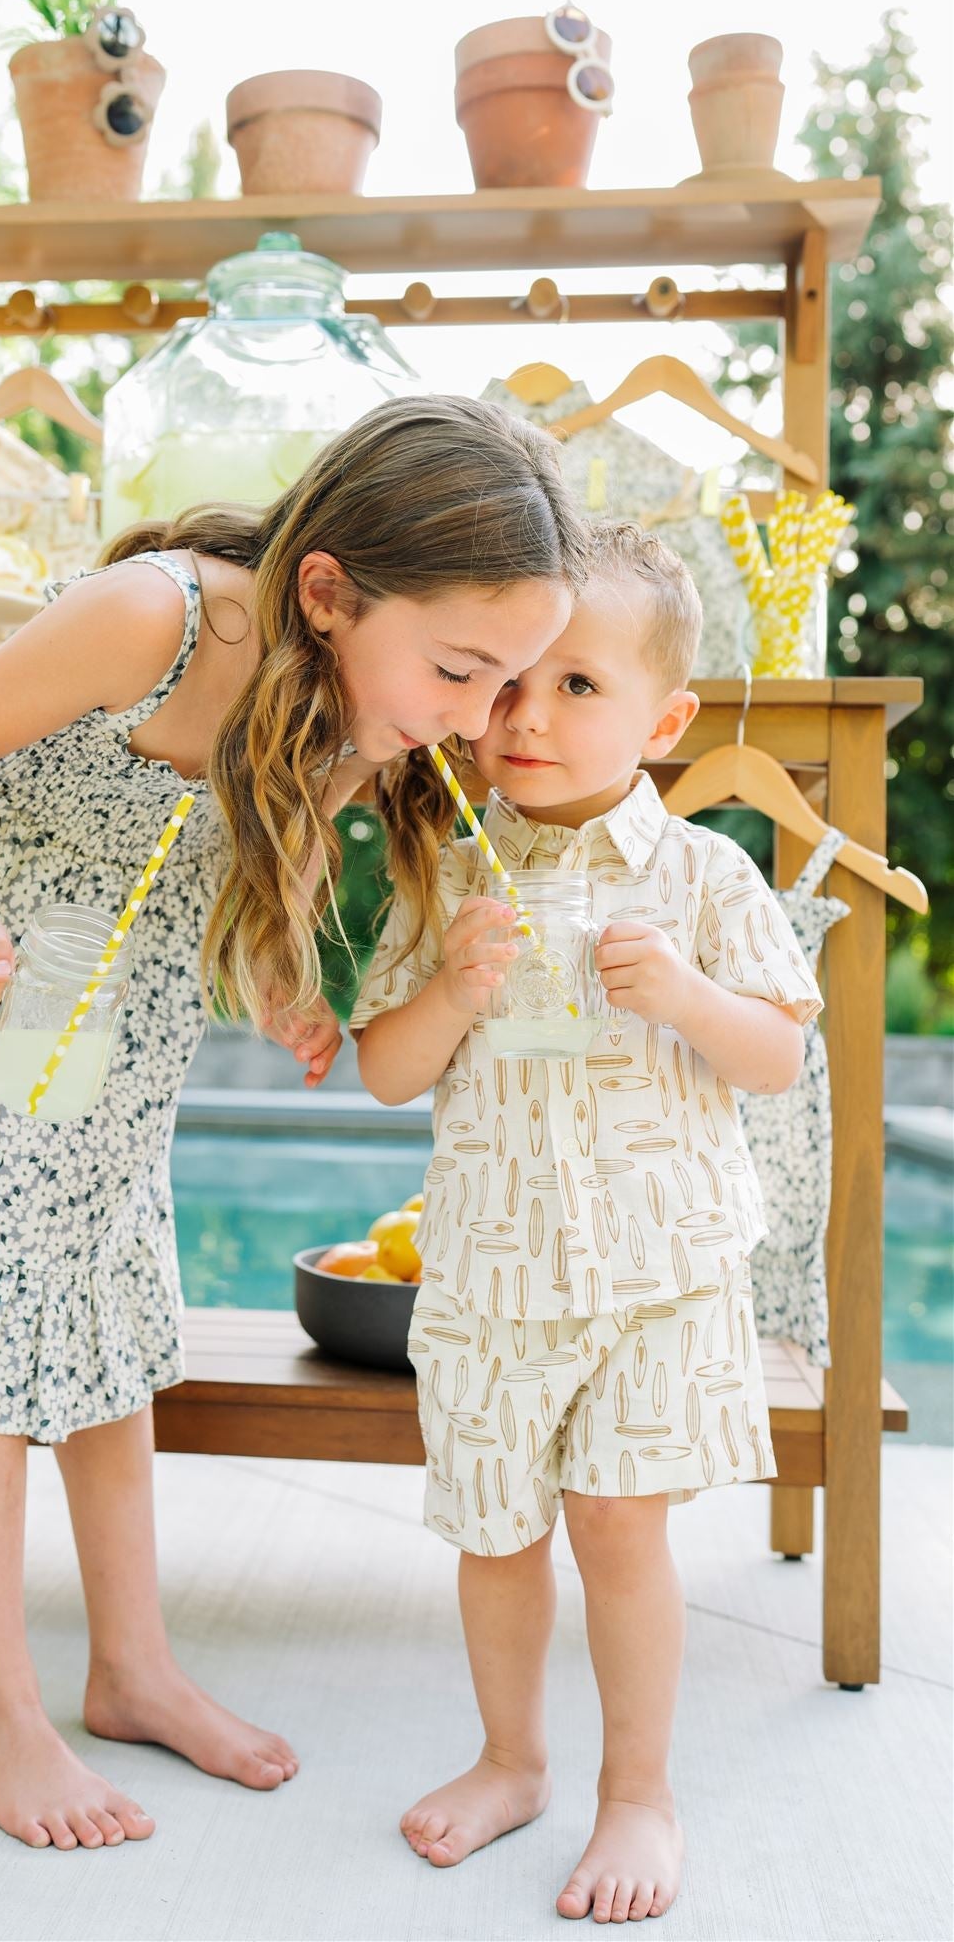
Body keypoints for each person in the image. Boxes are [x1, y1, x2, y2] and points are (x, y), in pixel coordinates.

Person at [0, 396, 585, 1853]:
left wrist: (278, 987)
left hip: (118, 998)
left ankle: (129, 1668)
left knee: (109, 1294)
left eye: (500, 681)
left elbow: (261, 847)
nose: (469, 714)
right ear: (325, 591)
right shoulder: (154, 622)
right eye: (460, 669)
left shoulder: (357, 701)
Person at [353, 521, 822, 1923]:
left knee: (619, 1526)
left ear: (663, 720)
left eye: (578, 687)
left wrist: (681, 993)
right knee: (495, 1533)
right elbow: (387, 1071)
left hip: (655, 1272)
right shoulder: (446, 873)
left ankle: (639, 1790)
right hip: (492, 1274)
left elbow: (776, 1057)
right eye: (510, 686)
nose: (530, 717)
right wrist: (447, 989)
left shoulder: (702, 878)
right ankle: (509, 1761)